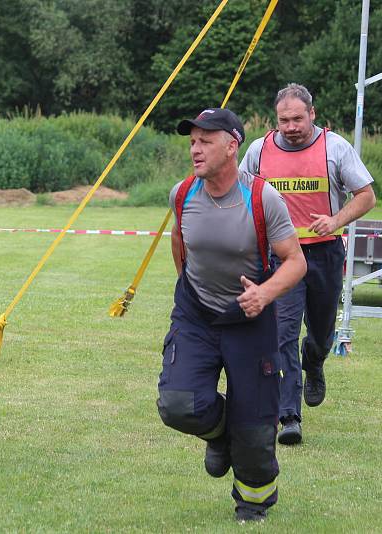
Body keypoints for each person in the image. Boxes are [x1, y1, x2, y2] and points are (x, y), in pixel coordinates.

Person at [157, 108, 306, 522]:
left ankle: (253, 504)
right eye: (192, 141)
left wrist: (265, 293)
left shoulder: (262, 198)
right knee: (178, 404)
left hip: (250, 319)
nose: (195, 149)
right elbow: (179, 241)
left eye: (205, 140)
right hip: (197, 316)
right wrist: (192, 292)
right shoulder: (182, 193)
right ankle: (220, 434)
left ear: (231, 145)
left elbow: (295, 262)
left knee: (256, 427)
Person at [239, 83, 376, 446]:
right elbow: (241, 194)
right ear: (276, 120)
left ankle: (314, 361)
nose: (291, 126)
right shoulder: (258, 151)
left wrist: (336, 220)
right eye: (284, 120)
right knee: (282, 334)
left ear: (312, 114)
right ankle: (289, 417)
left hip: (324, 252)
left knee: (321, 332)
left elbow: (366, 196)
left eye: (298, 118)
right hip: (282, 257)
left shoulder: (335, 148)